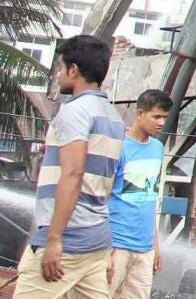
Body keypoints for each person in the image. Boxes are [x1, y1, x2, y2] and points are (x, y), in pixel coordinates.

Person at [16, 35, 123, 299]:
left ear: (73, 70)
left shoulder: (75, 110)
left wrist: (53, 239)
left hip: (69, 238)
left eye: (61, 68)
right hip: (96, 240)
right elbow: (105, 181)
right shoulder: (112, 116)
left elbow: (73, 174)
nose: (59, 74)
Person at [107, 90, 172, 299]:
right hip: (116, 243)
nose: (161, 123)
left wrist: (155, 245)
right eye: (156, 117)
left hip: (144, 248)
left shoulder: (158, 148)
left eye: (164, 118)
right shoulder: (118, 147)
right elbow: (102, 198)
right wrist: (104, 248)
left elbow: (149, 198)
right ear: (140, 114)